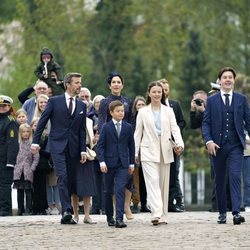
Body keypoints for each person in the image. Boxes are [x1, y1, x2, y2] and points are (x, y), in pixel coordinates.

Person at [31, 72, 87, 224]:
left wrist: (83, 149)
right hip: (57, 145)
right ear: (68, 84)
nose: (79, 85)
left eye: (80, 83)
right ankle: (67, 210)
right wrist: (35, 142)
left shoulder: (82, 105)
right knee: (62, 176)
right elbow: (42, 122)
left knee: (70, 179)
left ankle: (66, 215)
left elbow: (82, 130)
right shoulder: (54, 101)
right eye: (77, 83)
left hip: (74, 148)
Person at [202, 67, 250, 225]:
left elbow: (248, 121)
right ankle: (222, 212)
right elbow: (206, 123)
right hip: (217, 146)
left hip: (236, 145)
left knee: (236, 177)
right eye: (225, 77)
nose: (228, 80)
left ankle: (236, 212)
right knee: (220, 180)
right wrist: (208, 141)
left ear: (233, 80)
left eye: (230, 77)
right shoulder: (212, 100)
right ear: (220, 81)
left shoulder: (241, 99)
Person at [134, 81, 184, 225]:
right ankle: (156, 212)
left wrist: (180, 144)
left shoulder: (168, 111)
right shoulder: (143, 112)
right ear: (149, 93)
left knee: (163, 184)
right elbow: (137, 134)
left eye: (159, 92)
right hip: (148, 150)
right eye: (154, 92)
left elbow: (175, 129)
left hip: (166, 149)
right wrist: (135, 153)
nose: (157, 94)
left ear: (162, 94)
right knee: (153, 181)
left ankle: (162, 215)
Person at [98, 72, 134, 220]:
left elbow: (131, 120)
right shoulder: (105, 102)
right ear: (109, 85)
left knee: (121, 187)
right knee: (108, 190)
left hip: (123, 147)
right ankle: (109, 215)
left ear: (122, 84)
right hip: (109, 144)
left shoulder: (127, 101)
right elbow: (101, 120)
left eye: (119, 82)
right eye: (114, 82)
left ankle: (121, 215)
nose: (116, 84)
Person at [159, 78, 186, 212]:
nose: (163, 92)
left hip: (173, 145)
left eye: (165, 89)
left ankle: (170, 203)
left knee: (173, 175)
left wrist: (174, 135)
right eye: (161, 90)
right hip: (158, 145)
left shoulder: (175, 105)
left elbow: (182, 122)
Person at [71, 117, 97, 224]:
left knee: (87, 186)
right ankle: (75, 215)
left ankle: (87, 215)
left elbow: (91, 141)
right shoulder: (70, 118)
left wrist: (94, 141)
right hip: (73, 152)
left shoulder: (89, 121)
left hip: (87, 153)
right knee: (74, 186)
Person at [13, 123, 39, 215]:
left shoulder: (32, 144)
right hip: (18, 170)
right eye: (23, 132)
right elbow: (14, 156)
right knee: (19, 191)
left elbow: (36, 158)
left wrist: (32, 168)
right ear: (20, 133)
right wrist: (15, 167)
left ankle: (28, 209)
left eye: (28, 131)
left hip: (28, 170)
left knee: (28, 191)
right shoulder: (17, 144)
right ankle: (20, 209)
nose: (26, 133)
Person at [0, 95, 19, 216]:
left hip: (4, 159)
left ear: (9, 107)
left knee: (4, 185)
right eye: (0, 106)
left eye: (3, 106)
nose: (1, 108)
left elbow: (12, 144)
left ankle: (5, 210)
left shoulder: (10, 122)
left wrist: (10, 161)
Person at [131, 96, 150, 213]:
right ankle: (135, 203)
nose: (141, 107)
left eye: (143, 105)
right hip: (135, 151)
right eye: (138, 105)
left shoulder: (149, 118)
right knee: (135, 179)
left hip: (147, 151)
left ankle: (144, 203)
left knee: (145, 180)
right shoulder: (132, 120)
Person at [88, 94, 105, 215]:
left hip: (105, 150)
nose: (98, 104)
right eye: (97, 102)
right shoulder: (89, 117)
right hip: (93, 151)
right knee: (94, 180)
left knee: (105, 180)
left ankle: (105, 206)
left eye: (101, 102)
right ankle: (96, 206)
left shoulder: (107, 117)